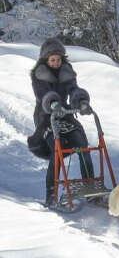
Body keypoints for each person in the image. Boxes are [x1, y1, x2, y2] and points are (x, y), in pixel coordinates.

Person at [28, 38, 94, 207]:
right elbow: (43, 94)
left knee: (83, 147)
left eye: (58, 59)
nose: (56, 63)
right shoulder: (39, 74)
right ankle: (51, 196)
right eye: (52, 60)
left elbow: (73, 88)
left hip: (65, 115)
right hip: (46, 117)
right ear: (46, 60)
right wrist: (53, 103)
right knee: (56, 153)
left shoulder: (66, 71)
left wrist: (81, 101)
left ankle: (91, 189)